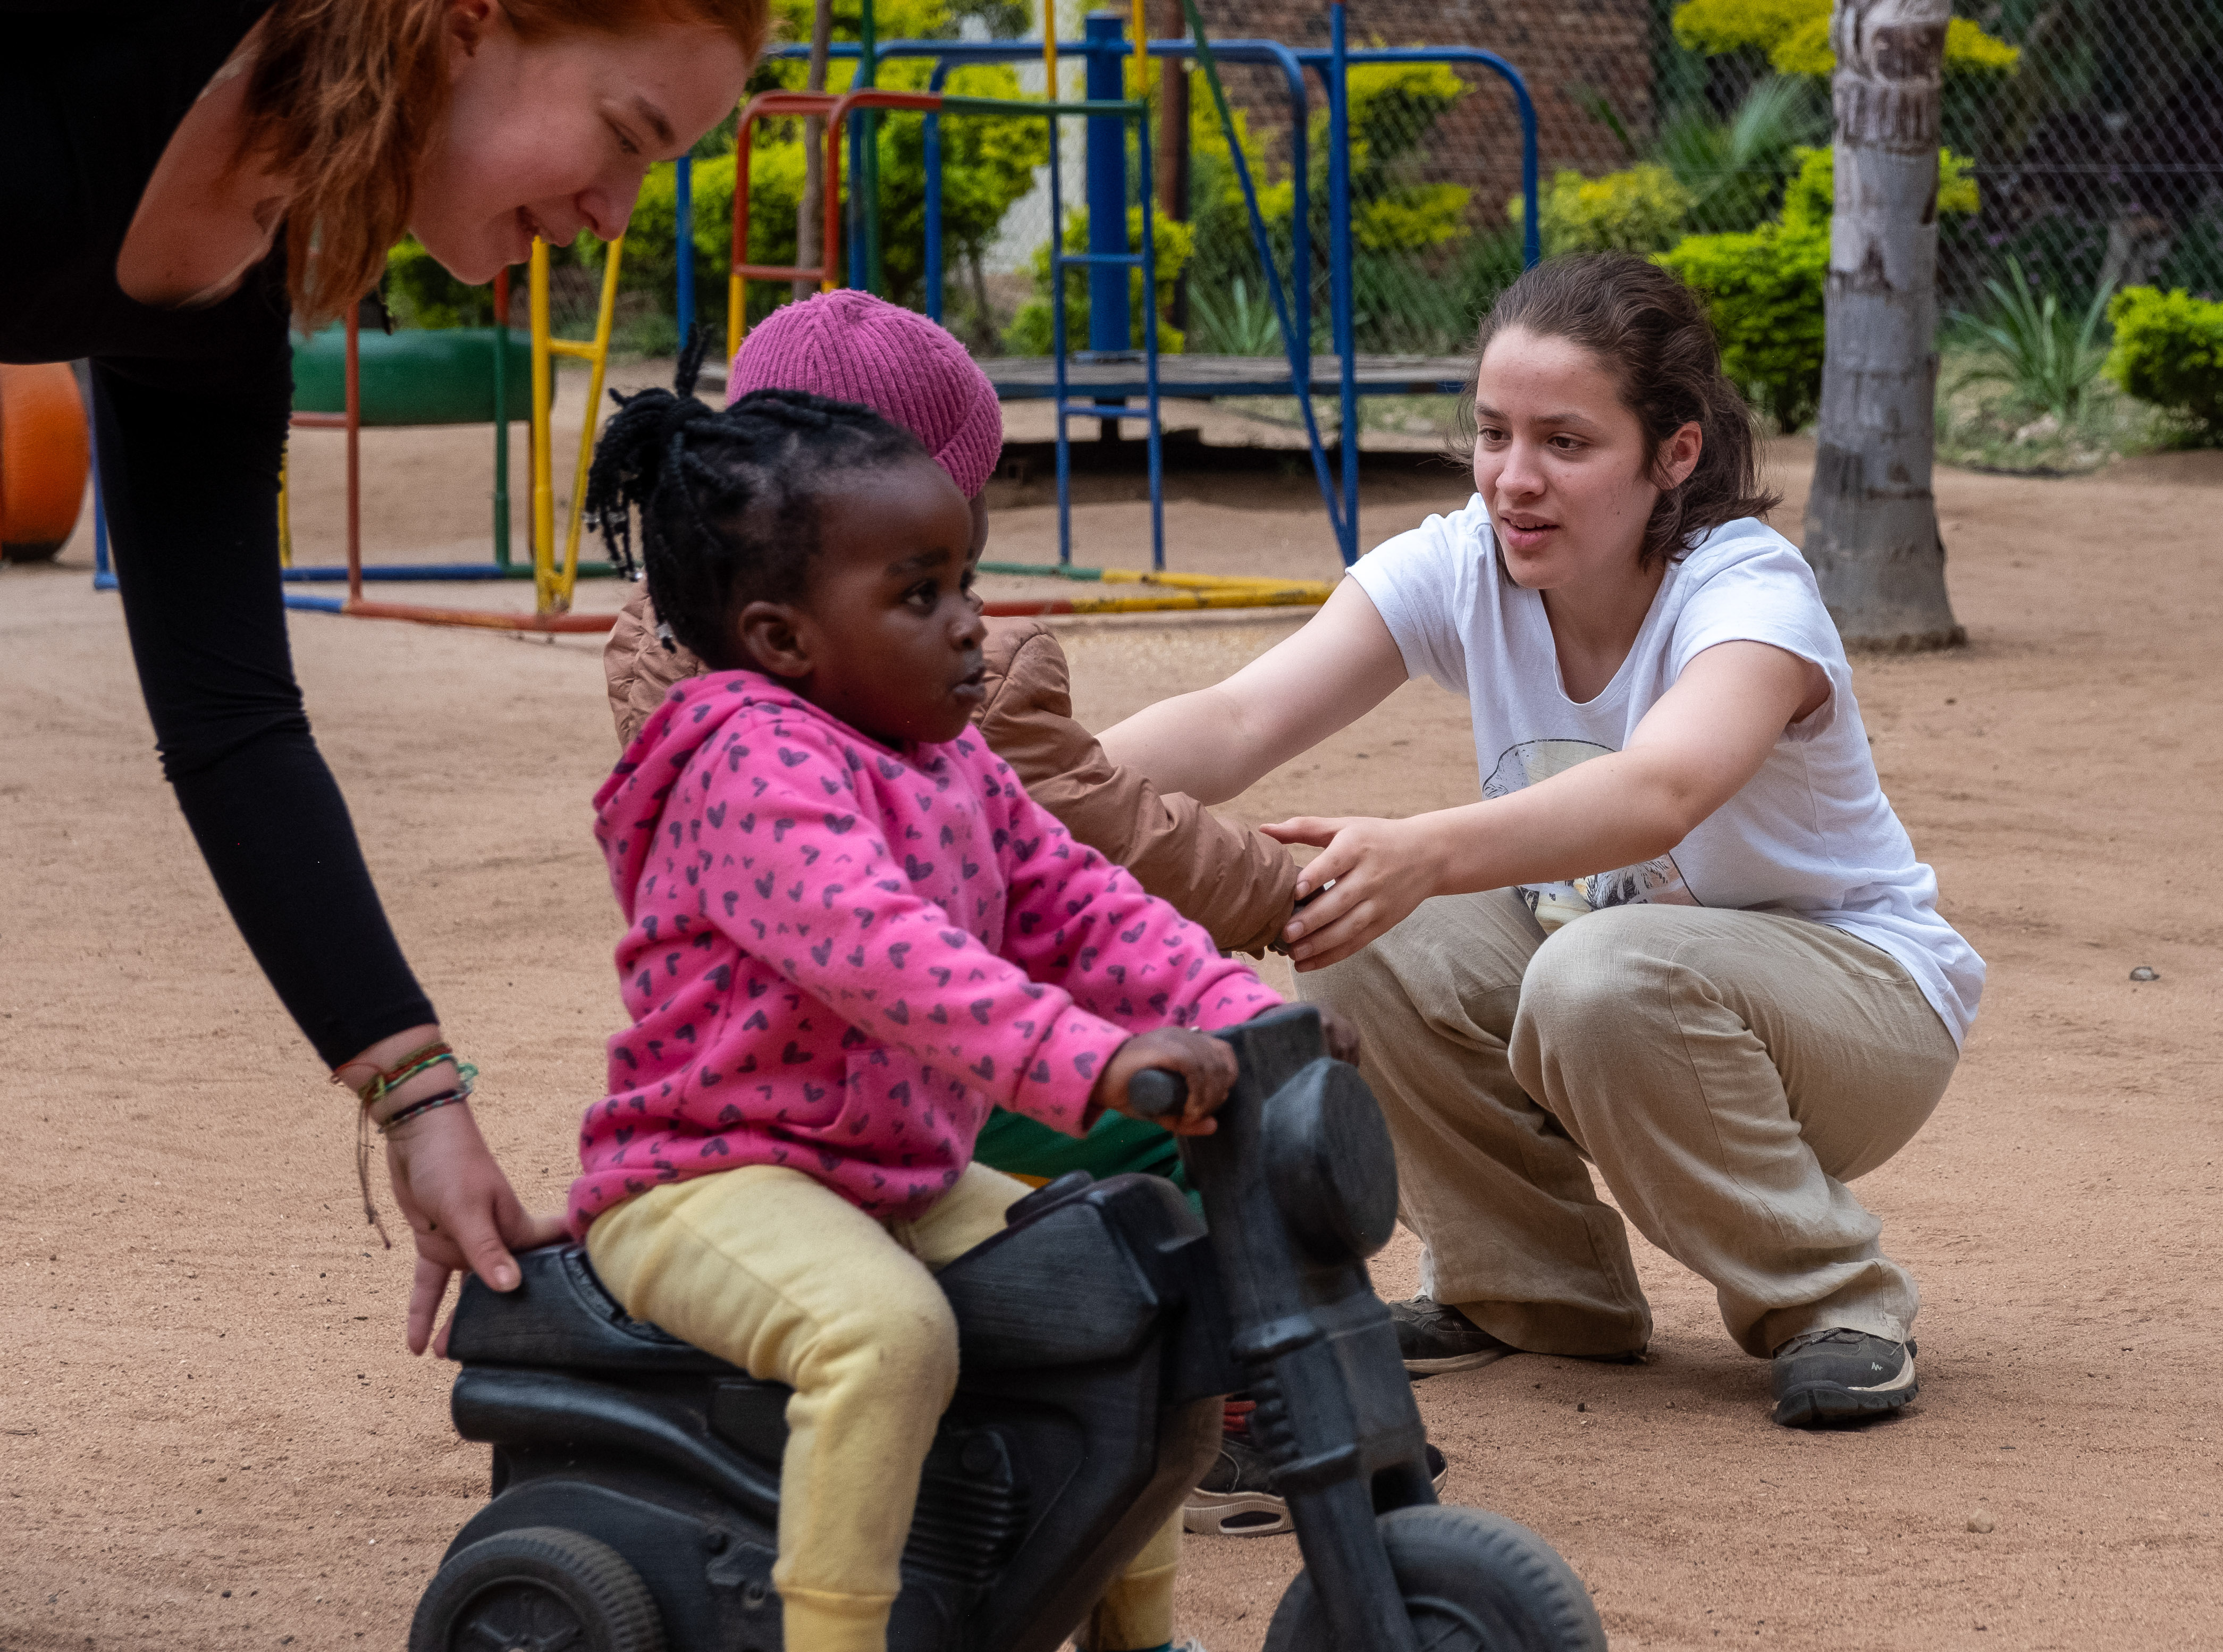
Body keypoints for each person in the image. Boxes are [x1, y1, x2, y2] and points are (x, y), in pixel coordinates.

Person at [1097, 253, 1986, 1428]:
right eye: (1493, 434)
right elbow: (1239, 717)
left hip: (1855, 1014)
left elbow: (1662, 789)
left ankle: (1833, 1300)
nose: (1515, 480)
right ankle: (1530, 1291)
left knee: (1594, 970)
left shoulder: (1747, 588)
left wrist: (1427, 847)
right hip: (1621, 980)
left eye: (1566, 443)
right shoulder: (1466, 561)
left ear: (1673, 452)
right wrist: (1021, 795)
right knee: (1350, 915)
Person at [601, 294, 1435, 1538]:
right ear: (793, 601)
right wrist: (1113, 1046)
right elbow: (902, 951)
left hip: (899, 1120)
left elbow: (1083, 895)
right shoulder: (750, 763)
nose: (973, 618)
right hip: (760, 1147)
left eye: (966, 575)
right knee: (948, 1300)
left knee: (1113, 1279)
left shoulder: (919, 730)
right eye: (926, 582)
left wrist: (1244, 1011)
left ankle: (1132, 1614)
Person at [0, 0, 765, 1352]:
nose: (614, 214)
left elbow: (233, 722)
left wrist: (422, 1105)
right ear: (467, 27)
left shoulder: (231, 293)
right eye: (625, 136)